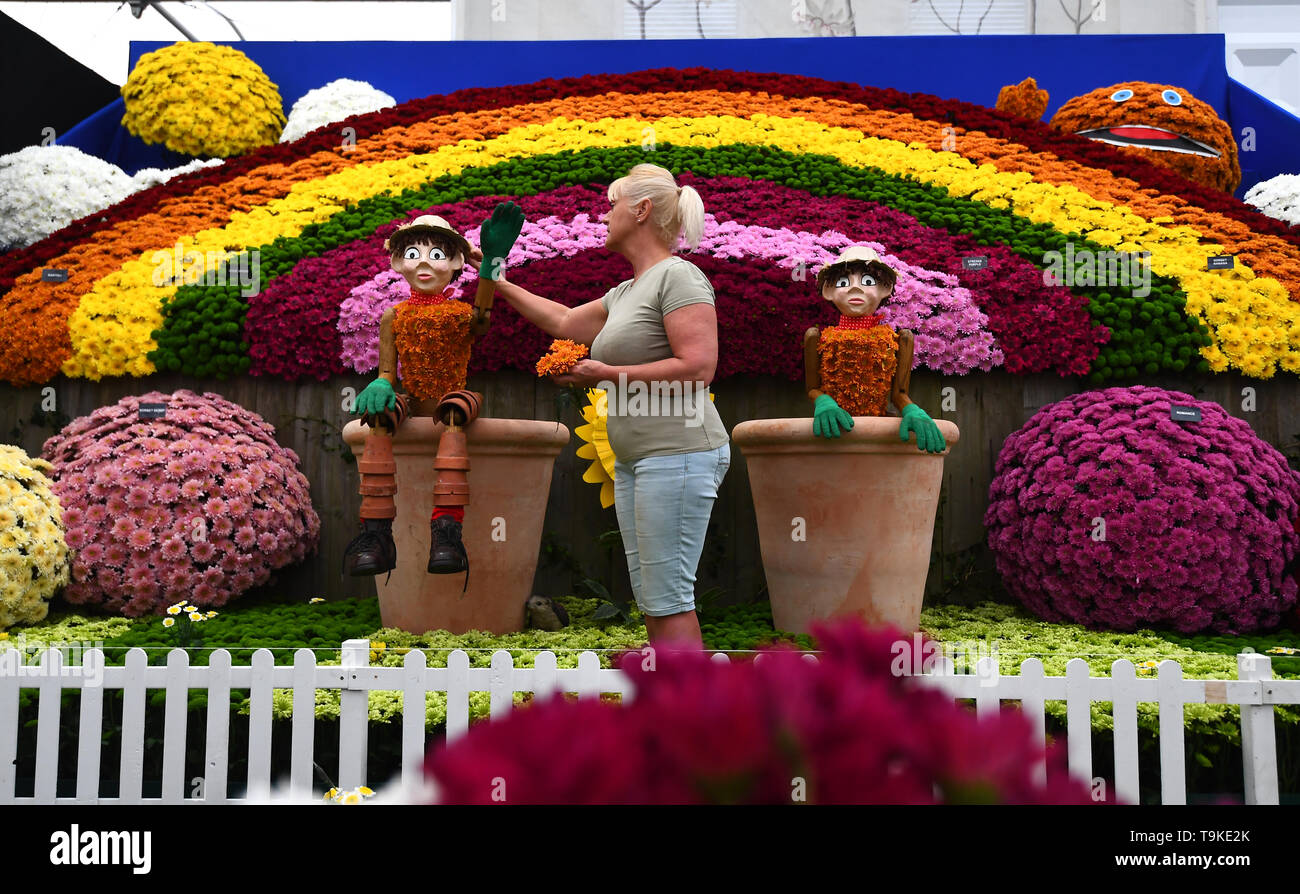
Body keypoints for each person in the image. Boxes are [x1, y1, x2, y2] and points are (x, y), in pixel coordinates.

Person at [486, 164, 729, 649]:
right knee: (652, 596)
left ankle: (693, 719)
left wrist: (606, 374)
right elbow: (562, 320)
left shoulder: (678, 278)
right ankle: (665, 711)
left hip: (677, 453)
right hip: (639, 460)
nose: (604, 214)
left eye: (612, 204)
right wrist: (491, 271)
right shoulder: (625, 292)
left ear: (641, 211)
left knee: (670, 597)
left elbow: (699, 367)